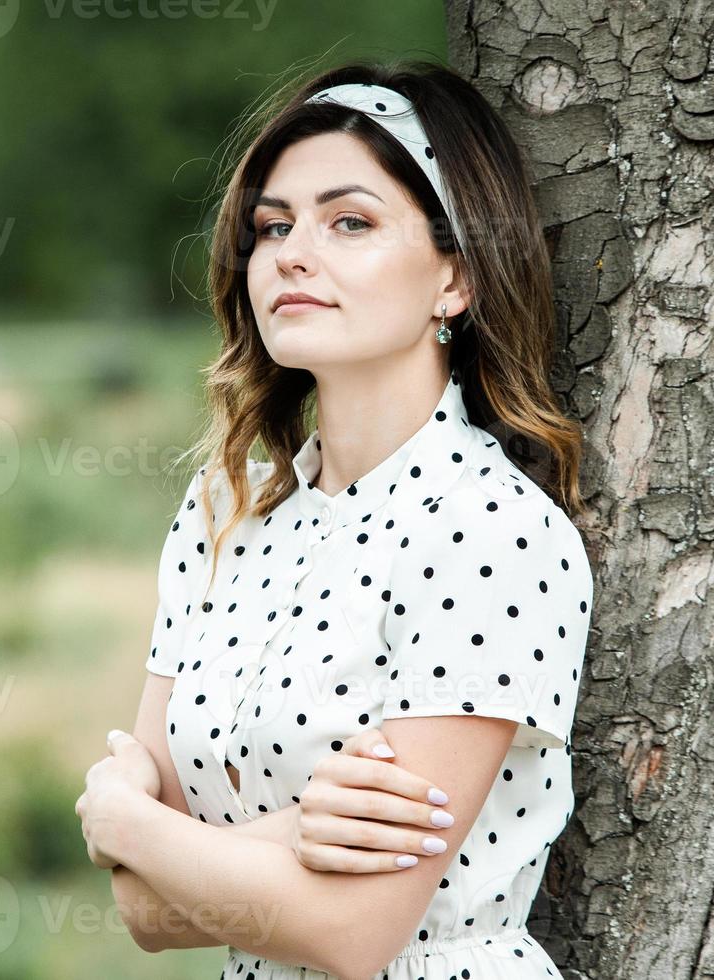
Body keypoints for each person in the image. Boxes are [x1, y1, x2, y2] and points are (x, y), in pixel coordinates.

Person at [75, 58, 595, 979]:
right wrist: (300, 833)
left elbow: (354, 934)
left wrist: (125, 820)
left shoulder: (488, 530)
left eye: (349, 222)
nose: (290, 254)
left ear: (457, 279)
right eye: (272, 227)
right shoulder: (223, 509)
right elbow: (144, 910)